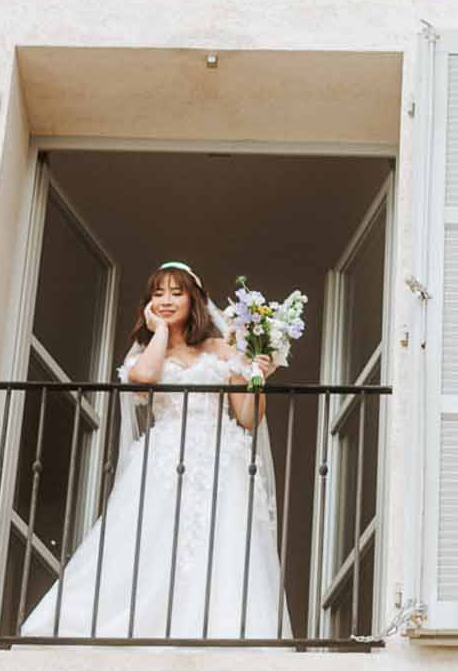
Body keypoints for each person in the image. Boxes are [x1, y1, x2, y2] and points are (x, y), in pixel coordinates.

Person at [20, 261, 286, 640]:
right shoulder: (146, 354)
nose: (166, 300)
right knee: (153, 542)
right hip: (165, 457)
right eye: (158, 293)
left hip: (219, 457)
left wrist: (259, 378)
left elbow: (246, 417)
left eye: (176, 293)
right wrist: (159, 331)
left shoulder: (223, 351)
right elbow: (142, 380)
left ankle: (214, 630)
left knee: (220, 546)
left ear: (193, 299)